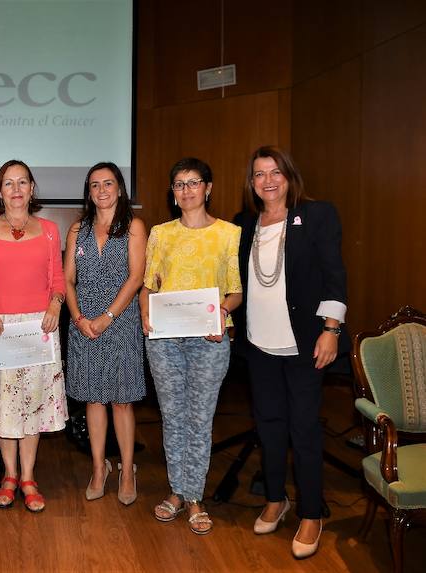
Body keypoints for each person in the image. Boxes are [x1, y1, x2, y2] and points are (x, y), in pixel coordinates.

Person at [235, 146, 347, 559]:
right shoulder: (245, 223)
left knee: (304, 429)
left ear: (288, 175)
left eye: (275, 172)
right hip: (259, 344)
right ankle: (275, 499)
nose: (267, 180)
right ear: (252, 183)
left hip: (304, 344)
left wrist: (331, 330)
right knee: (269, 427)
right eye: (259, 174)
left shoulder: (317, 215)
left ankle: (312, 512)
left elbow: (335, 275)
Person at [139, 157, 242, 534]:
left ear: (208, 188)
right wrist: (145, 317)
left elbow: (235, 290)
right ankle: (177, 492)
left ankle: (194, 495)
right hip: (164, 340)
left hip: (210, 340)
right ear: (173, 192)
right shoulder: (160, 233)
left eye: (193, 182)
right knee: (173, 417)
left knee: (199, 419)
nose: (186, 190)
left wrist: (221, 314)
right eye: (179, 184)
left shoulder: (229, 233)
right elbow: (149, 285)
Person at [0, 159, 67, 512]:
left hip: (38, 329)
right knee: (5, 407)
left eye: (23, 182)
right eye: (9, 183)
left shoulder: (51, 230)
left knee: (32, 405)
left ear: (32, 188)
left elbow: (58, 281)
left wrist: (55, 305)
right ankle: (8, 475)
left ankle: (28, 477)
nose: (17, 189)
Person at [64, 162, 146, 504]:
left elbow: (137, 277)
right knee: (92, 400)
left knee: (121, 401)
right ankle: (99, 468)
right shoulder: (77, 230)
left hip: (121, 322)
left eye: (108, 183)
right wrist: (80, 318)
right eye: (95, 185)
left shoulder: (134, 226)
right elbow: (68, 280)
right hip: (83, 325)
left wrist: (107, 317)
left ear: (120, 188)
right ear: (89, 192)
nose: (101, 190)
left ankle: (127, 470)